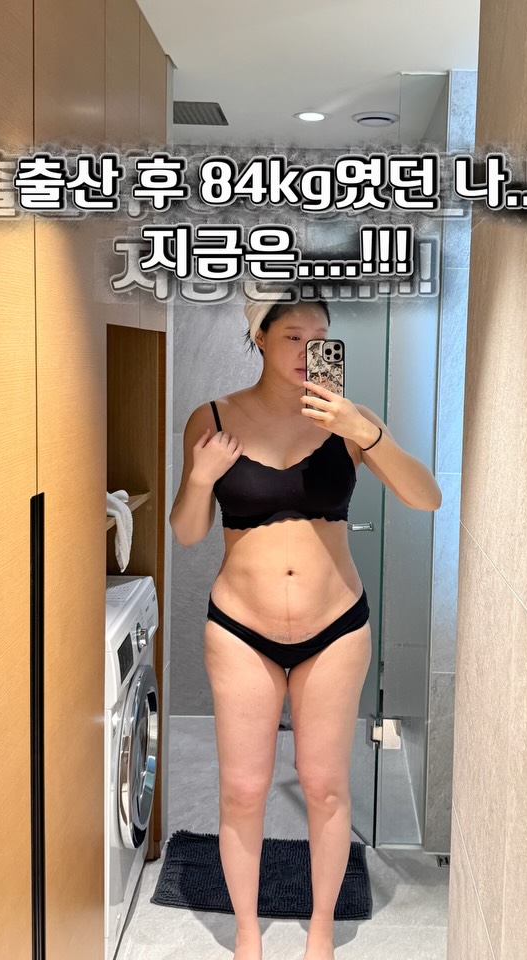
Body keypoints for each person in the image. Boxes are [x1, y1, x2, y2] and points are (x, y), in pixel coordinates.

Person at [169, 286, 442, 960]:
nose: (305, 350)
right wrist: (201, 478)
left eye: (318, 339)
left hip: (335, 626)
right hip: (240, 629)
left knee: (324, 787)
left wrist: (364, 432)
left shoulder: (349, 420)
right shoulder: (213, 416)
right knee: (242, 789)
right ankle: (246, 934)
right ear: (259, 337)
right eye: (292, 336)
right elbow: (187, 532)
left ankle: (321, 932)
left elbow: (426, 497)